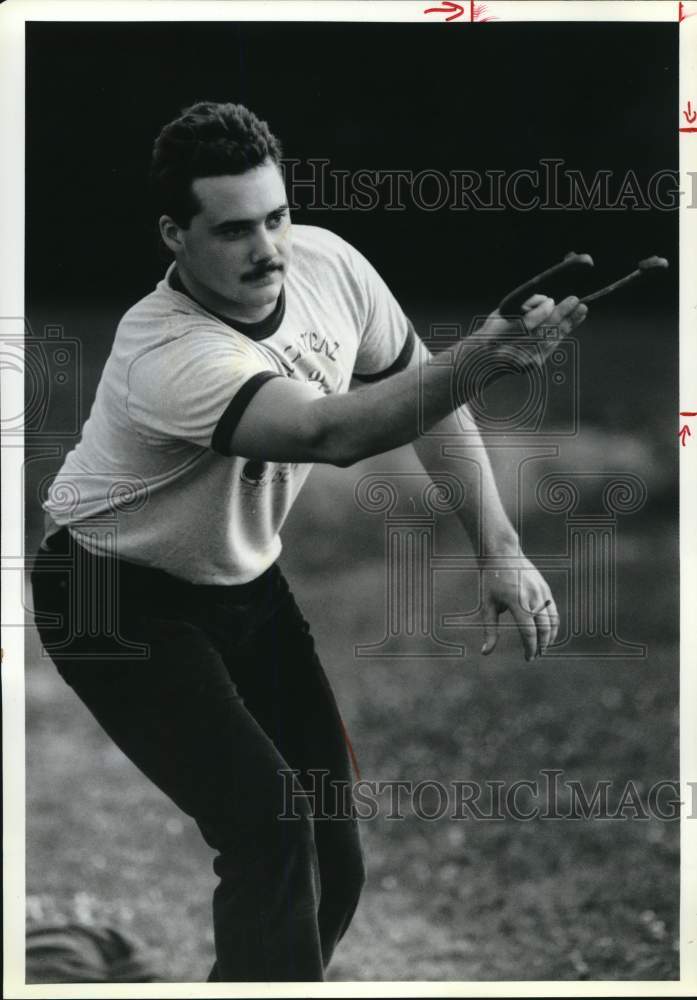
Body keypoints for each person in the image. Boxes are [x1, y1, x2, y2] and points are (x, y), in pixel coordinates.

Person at [30, 101, 588, 982]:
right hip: (108, 592)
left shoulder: (329, 263)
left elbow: (420, 397)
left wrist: (500, 548)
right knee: (268, 828)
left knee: (333, 855)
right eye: (235, 229)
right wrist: (480, 355)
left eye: (278, 215)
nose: (268, 248)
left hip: (241, 583)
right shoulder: (166, 352)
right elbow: (333, 433)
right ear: (175, 234)